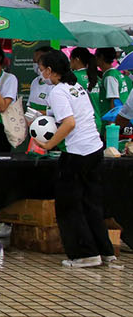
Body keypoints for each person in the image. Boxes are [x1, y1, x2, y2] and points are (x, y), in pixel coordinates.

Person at [33, 49, 114, 268]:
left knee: (69, 205)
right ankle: (105, 251)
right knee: (91, 203)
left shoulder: (58, 91)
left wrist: (48, 144)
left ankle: (84, 253)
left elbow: (69, 123)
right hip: (94, 149)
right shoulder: (76, 86)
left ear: (50, 71)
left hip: (77, 153)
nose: (40, 74)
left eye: (41, 70)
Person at [25, 44, 56, 124]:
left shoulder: (56, 85)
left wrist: (39, 113)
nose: (36, 64)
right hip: (34, 129)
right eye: (34, 61)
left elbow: (58, 112)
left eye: (38, 61)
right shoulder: (35, 81)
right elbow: (30, 106)